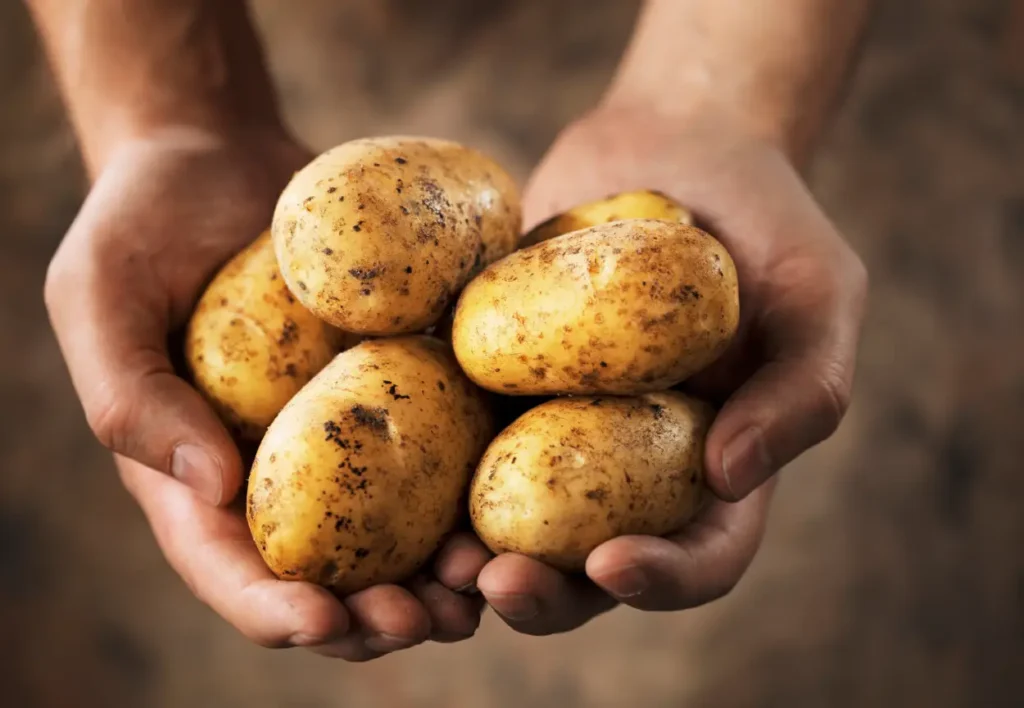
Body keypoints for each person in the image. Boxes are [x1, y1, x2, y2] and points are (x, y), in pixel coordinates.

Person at [27, 0, 869, 661]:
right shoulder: (415, 301)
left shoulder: (489, 315)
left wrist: (718, 106)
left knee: (522, 502)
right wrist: (170, 115)